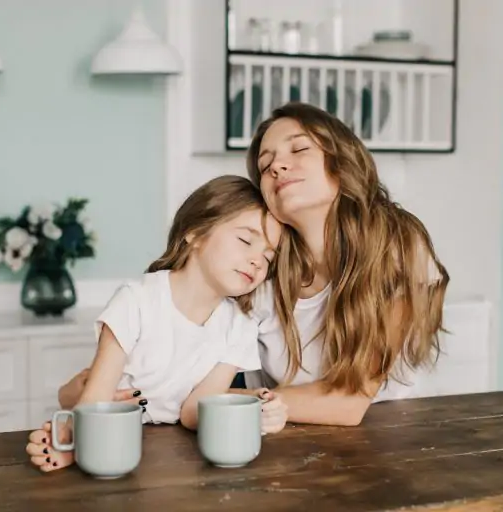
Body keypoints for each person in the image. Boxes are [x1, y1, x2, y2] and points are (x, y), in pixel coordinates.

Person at [58, 102, 449, 427]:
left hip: (387, 439)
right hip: (278, 441)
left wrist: (211, 401)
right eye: (266, 165)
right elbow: (176, 358)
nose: (278, 166)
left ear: (340, 158)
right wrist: (91, 390)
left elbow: (347, 404)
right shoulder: (258, 273)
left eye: (298, 150)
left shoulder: (398, 246)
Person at [25, 175, 289, 472]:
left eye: (268, 257)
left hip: (172, 458)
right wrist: (77, 445)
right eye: (245, 240)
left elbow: (193, 411)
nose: (257, 261)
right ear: (195, 233)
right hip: (114, 444)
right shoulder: (136, 300)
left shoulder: (241, 326)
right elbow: (96, 397)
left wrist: (253, 408)